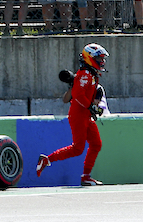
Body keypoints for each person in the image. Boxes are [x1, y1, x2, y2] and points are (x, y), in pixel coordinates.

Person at [37, 43, 109, 186]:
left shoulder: (91, 74)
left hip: (86, 115)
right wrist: (90, 107)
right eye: (100, 58)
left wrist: (94, 108)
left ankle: (86, 176)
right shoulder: (84, 74)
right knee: (77, 148)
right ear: (90, 58)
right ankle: (47, 160)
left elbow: (86, 97)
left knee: (96, 144)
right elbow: (77, 94)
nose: (103, 62)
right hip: (78, 115)